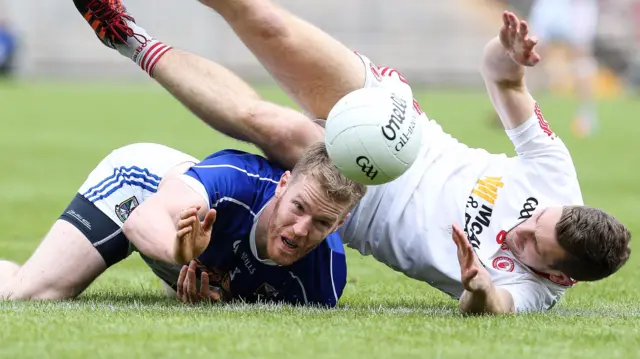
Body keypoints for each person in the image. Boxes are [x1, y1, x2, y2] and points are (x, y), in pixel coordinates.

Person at [71, 0, 631, 314]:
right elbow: (501, 80)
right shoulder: (556, 175)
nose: (520, 229)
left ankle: (128, 38)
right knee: (265, 20)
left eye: (532, 245)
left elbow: (495, 309)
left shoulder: (535, 293)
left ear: (561, 276)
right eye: (535, 218)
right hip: (401, 129)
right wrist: (508, 55)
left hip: (359, 198)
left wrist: (480, 287)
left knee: (274, 124)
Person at [0, 141, 366, 306]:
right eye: (298, 207)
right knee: (31, 294)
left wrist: (220, 296)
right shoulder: (234, 181)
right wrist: (179, 252)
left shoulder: (321, 283)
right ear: (282, 185)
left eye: (321, 222)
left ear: (339, 224)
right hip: (139, 193)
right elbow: (142, 219)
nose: (301, 229)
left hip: (197, 252)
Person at [527, 0, 600, 137]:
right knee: (534, 55)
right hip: (550, 4)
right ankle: (526, 113)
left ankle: (586, 115)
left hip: (578, 5)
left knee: (580, 56)